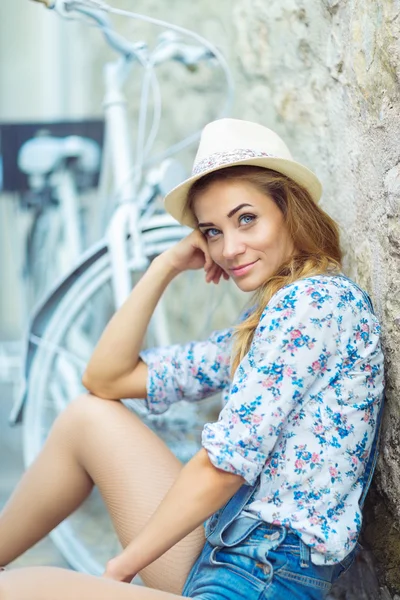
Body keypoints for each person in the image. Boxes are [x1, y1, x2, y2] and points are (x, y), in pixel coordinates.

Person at [0, 118, 384, 600]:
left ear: (290, 211)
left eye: (246, 219)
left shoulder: (313, 305)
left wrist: (121, 569)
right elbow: (107, 378)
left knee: (19, 591)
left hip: (263, 580)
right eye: (212, 231)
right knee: (87, 417)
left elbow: (222, 468)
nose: (229, 248)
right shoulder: (268, 322)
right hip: (230, 554)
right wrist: (165, 265)